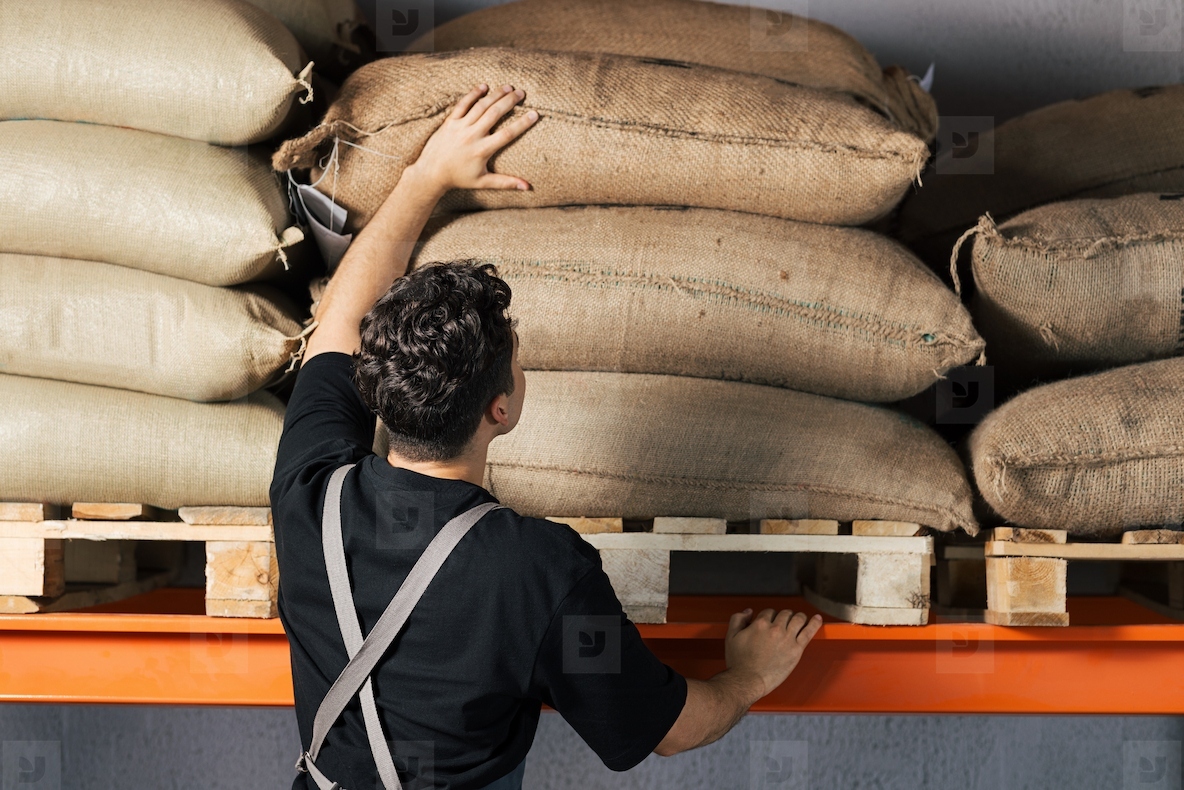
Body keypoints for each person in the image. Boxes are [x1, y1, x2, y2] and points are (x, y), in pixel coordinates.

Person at [271, 83, 823, 790]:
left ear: (376, 386)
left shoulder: (310, 493)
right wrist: (748, 675)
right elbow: (671, 731)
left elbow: (341, 323)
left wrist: (424, 176)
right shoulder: (540, 572)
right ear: (499, 409)